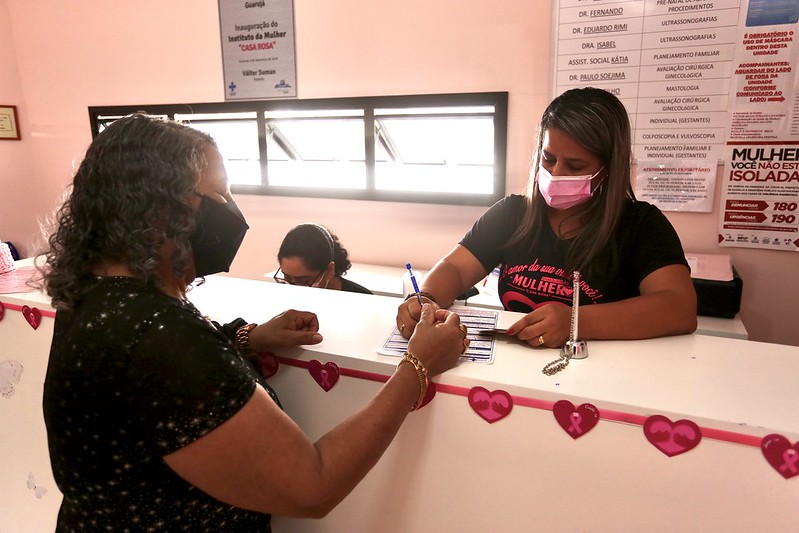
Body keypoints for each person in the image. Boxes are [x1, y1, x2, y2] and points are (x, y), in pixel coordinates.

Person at [41, 113, 466, 530]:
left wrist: (249, 337)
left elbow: (154, 389)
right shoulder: (159, 335)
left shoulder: (95, 297)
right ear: (162, 209)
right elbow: (311, 487)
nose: (231, 213)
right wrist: (417, 366)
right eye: (220, 197)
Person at [396, 87, 697, 349]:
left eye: (576, 165)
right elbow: (455, 268)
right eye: (548, 159)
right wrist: (425, 298)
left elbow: (679, 308)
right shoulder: (512, 213)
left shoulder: (641, 225)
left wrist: (575, 323)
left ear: (609, 168)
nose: (557, 174)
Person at [275, 223, 372, 294]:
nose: (293, 289)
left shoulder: (362, 299)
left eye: (304, 282)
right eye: (286, 278)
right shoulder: (281, 294)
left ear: (330, 270)